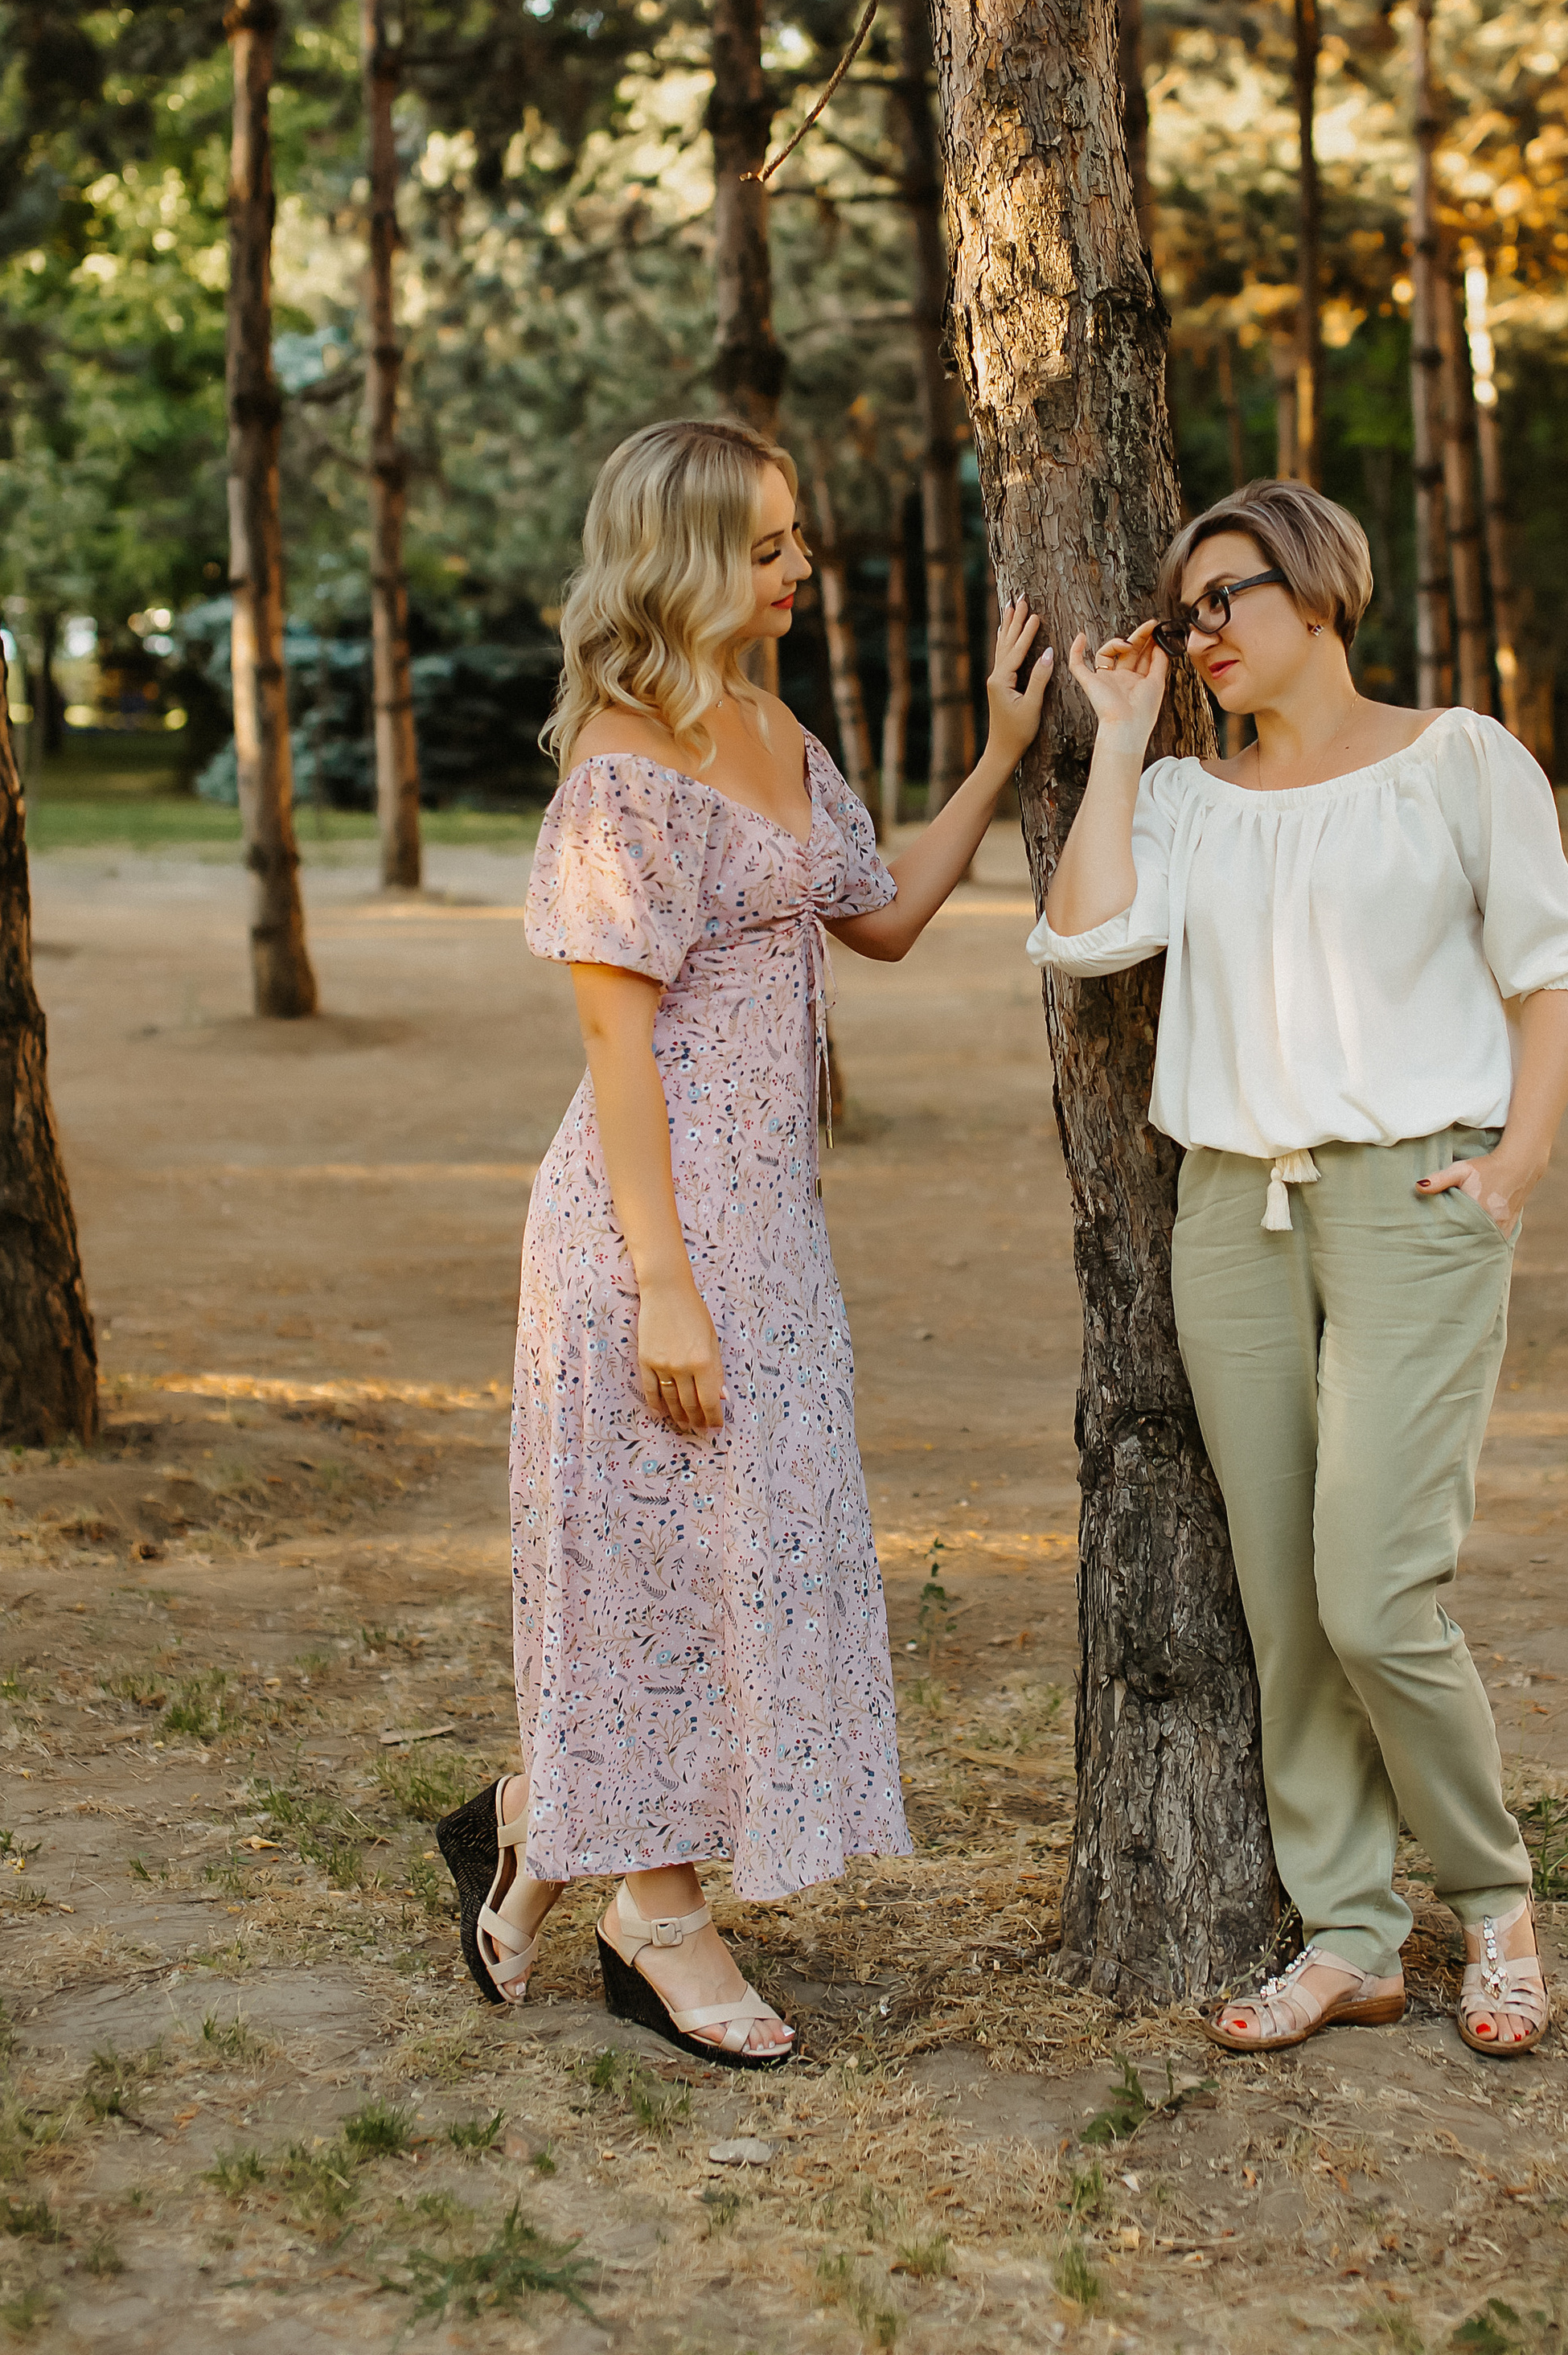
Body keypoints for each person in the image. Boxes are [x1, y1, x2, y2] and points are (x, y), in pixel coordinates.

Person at [437, 417, 1050, 2068]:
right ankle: (656, 1913)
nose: (796, 572)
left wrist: (996, 756)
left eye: (797, 542)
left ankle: (531, 1817)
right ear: (683, 556)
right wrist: (664, 1291)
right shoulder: (620, 770)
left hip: (770, 1234)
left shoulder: (776, 730)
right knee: (648, 1581)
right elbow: (614, 1049)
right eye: (766, 546)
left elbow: (889, 920)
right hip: (642, 1242)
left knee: (734, 1579)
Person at [1028, 479, 1568, 2059]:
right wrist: (1125, 739)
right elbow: (1081, 944)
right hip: (1230, 1211)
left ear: (1319, 590)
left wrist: (1515, 1162)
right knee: (1281, 1604)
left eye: (1227, 598)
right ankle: (1352, 1933)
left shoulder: (1456, 759)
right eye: (1184, 605)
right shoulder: (1183, 799)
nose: (1198, 628)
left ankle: (1490, 1901)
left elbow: (1557, 966)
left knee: (1372, 1594)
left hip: (1412, 1197)